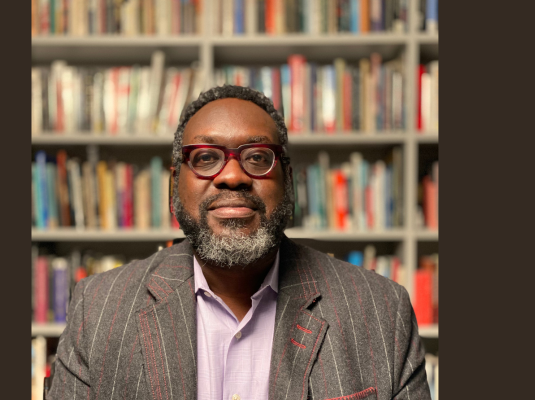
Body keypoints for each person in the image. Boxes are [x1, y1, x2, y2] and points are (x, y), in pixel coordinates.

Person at [47, 85, 431, 400]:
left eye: (258, 156)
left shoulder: (382, 312)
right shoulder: (97, 311)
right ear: (174, 183)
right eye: (206, 157)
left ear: (289, 180)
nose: (232, 176)